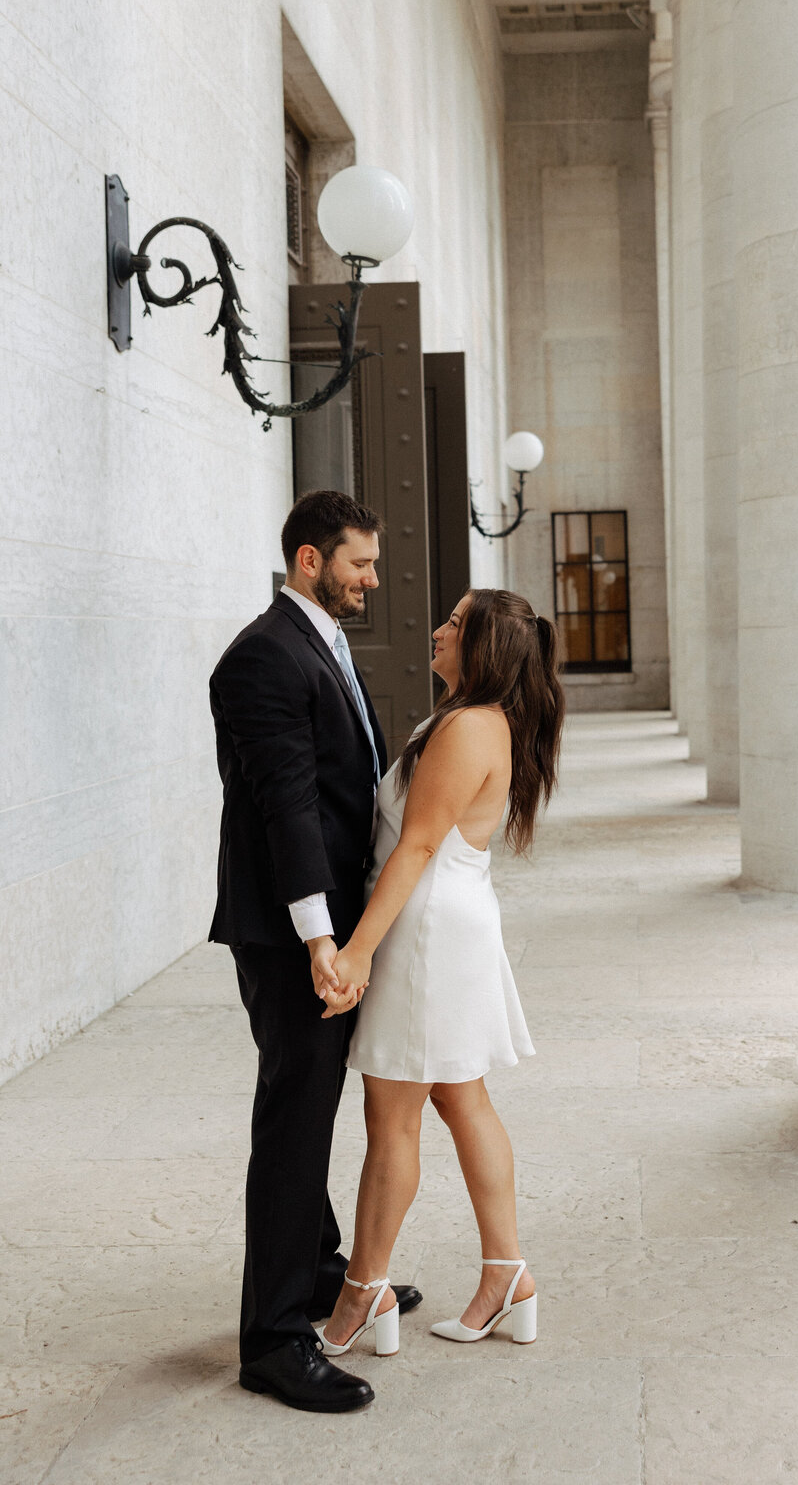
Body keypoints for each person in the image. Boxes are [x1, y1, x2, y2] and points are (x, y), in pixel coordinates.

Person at [208, 489, 421, 1414]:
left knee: (318, 1106)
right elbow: (286, 807)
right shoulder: (262, 657)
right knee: (294, 1121)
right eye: (359, 564)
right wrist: (323, 942)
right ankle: (275, 1340)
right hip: (296, 936)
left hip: (333, 927)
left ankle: (326, 1268)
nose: (372, 580)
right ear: (310, 561)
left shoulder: (323, 642)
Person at [315, 589, 564, 1358]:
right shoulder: (473, 720)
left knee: (392, 1119)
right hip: (447, 921)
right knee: (462, 1097)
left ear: (485, 646)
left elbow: (415, 849)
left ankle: (363, 1292)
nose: (437, 629)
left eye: (456, 624)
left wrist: (355, 950)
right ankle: (507, 1275)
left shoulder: (466, 728)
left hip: (426, 931)